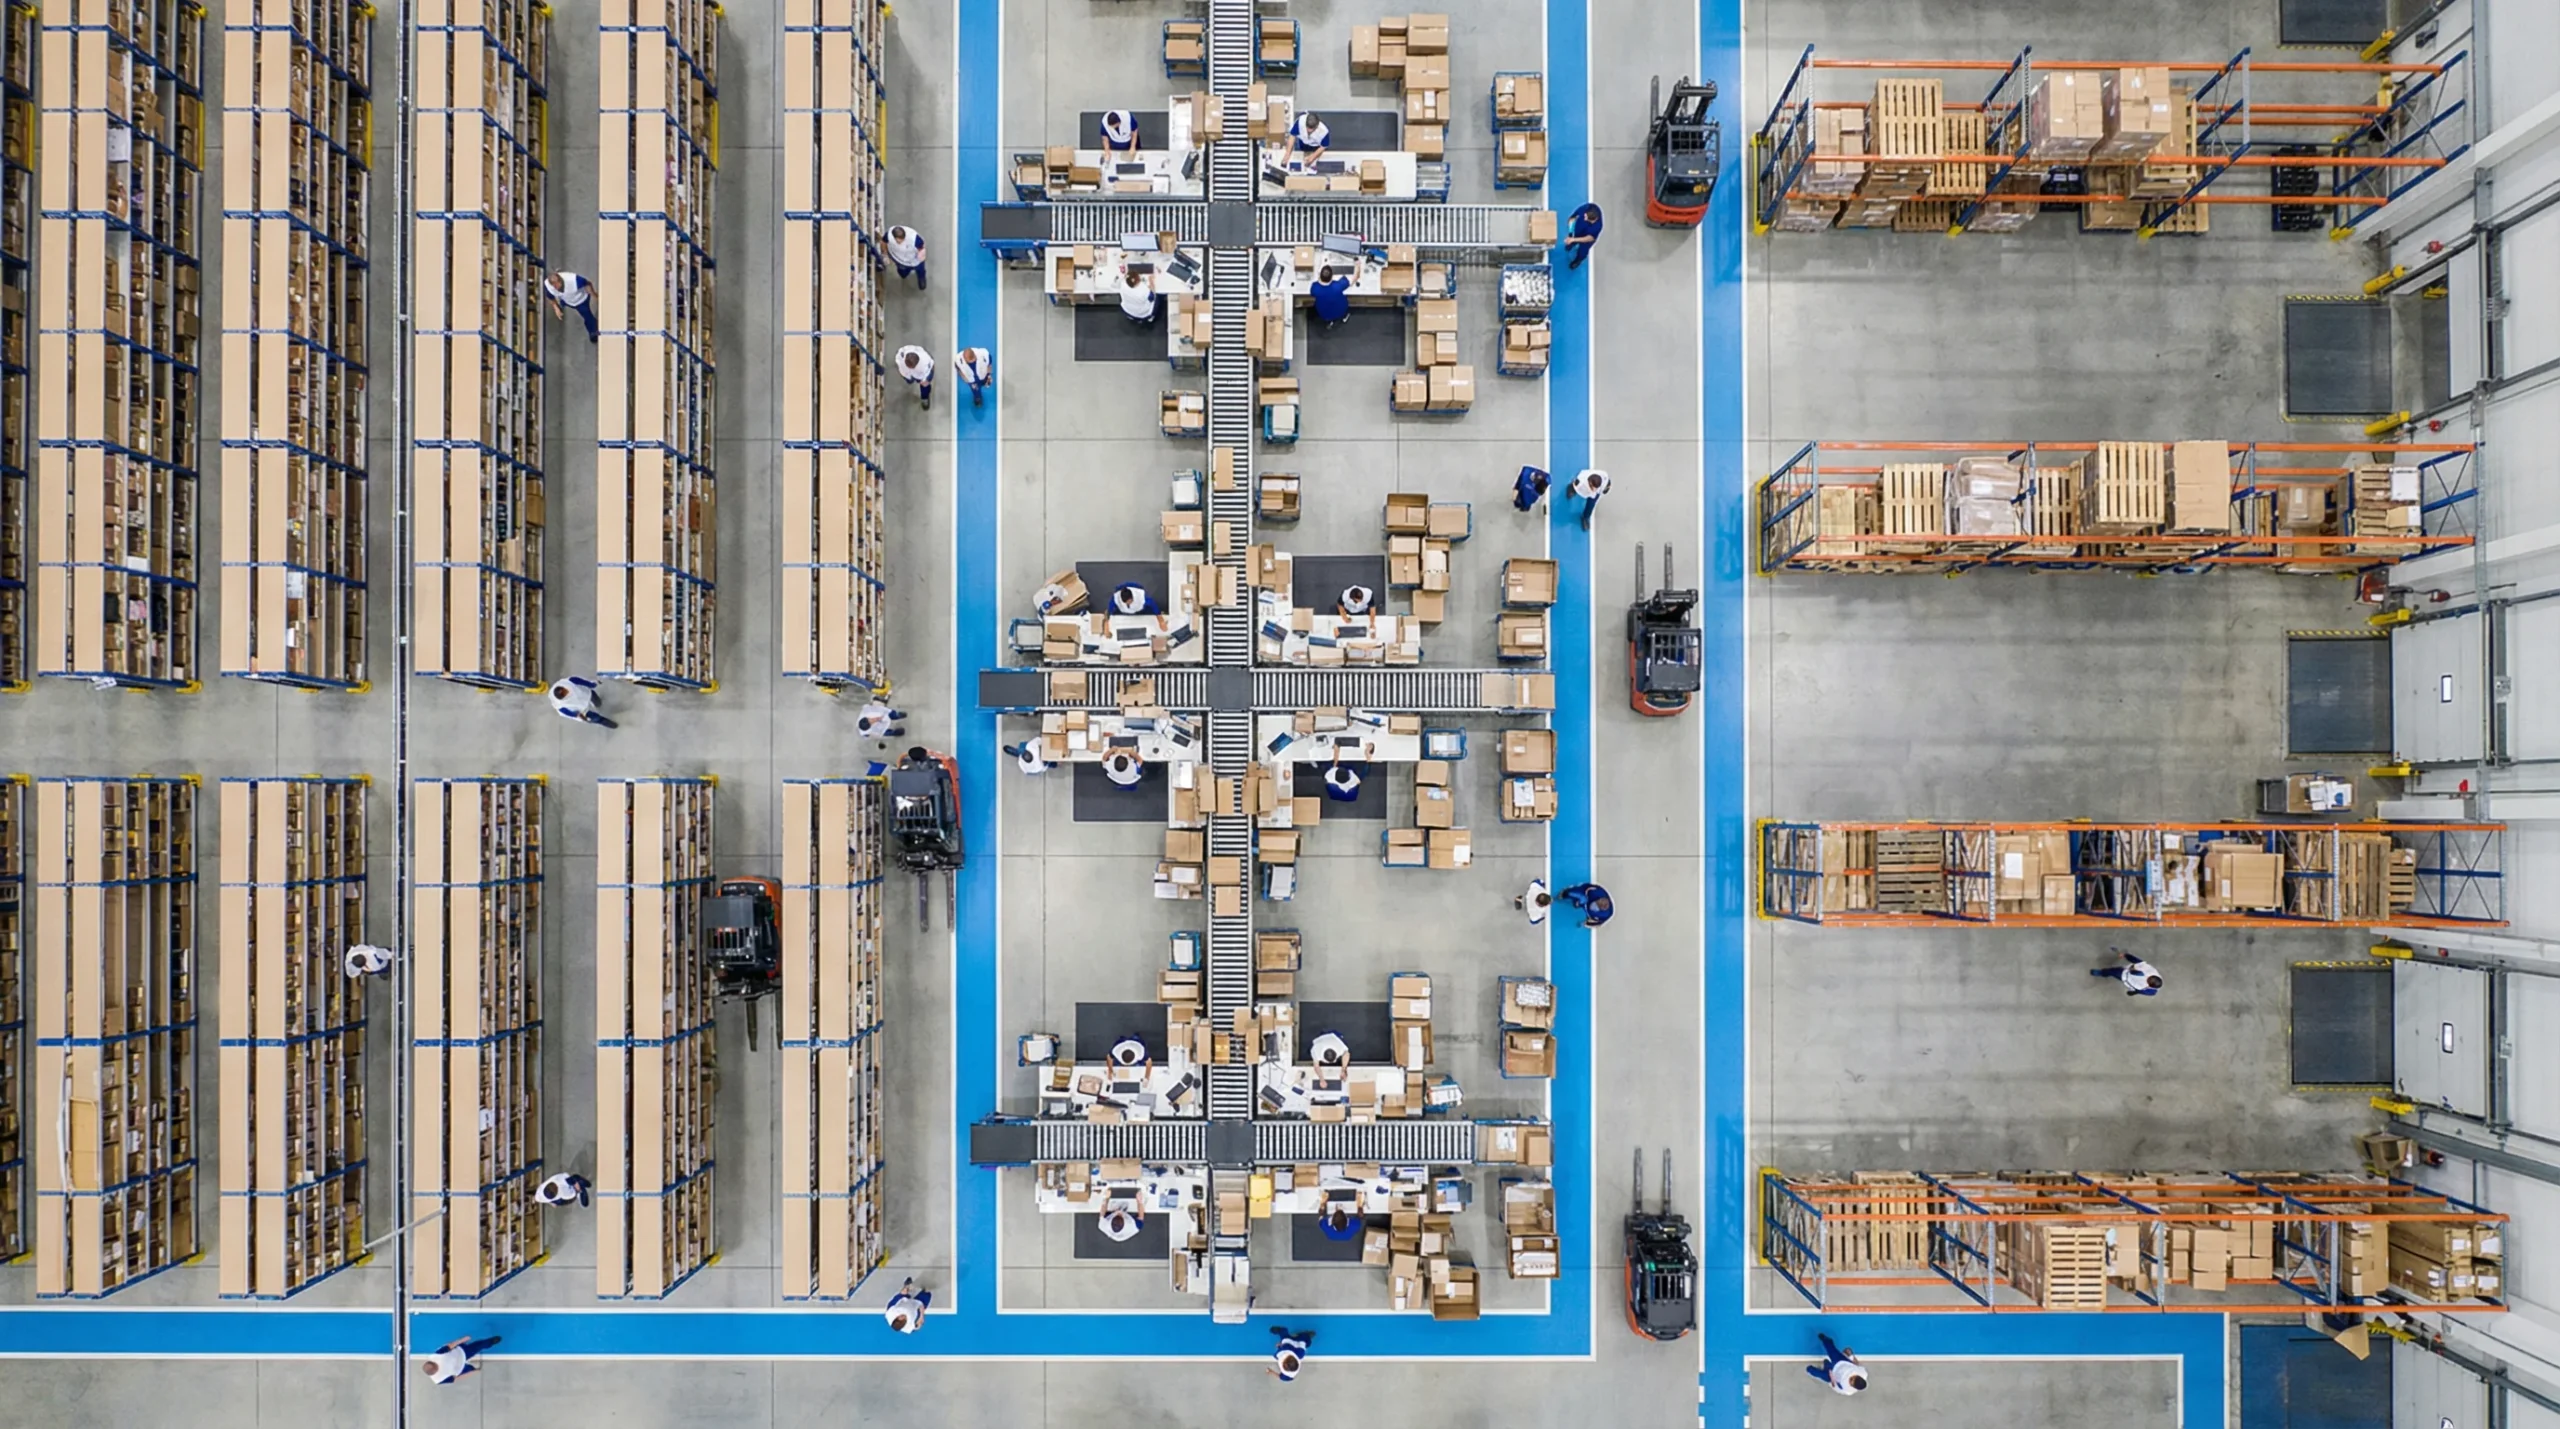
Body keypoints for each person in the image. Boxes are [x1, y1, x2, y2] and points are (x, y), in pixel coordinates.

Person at [420, 1336, 501, 1385]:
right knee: (471, 1369)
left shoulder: (437, 1355)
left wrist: (462, 1340)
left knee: (478, 1345)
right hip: (460, 1369)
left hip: (461, 1352)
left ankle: (490, 1341)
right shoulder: (439, 1380)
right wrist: (473, 1372)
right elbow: (456, 1379)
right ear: (435, 1371)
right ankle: (472, 1368)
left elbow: (450, 1346)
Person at [543, 270, 598, 342]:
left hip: (580, 300)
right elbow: (550, 296)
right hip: (567, 300)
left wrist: (594, 295)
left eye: (558, 283)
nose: (557, 286)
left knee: (587, 316)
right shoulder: (547, 286)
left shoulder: (575, 280)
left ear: (560, 279)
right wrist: (556, 307)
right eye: (554, 285)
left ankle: (593, 331)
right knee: (561, 304)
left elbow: (587, 284)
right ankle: (561, 306)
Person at [548, 676, 616, 729]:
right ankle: (603, 721)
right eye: (566, 693)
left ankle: (598, 704)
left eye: (565, 689)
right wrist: (578, 715)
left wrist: (593, 684)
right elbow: (568, 713)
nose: (568, 691)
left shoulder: (570, 681)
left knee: (597, 701)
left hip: (585, 694)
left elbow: (584, 682)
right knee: (595, 718)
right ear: (563, 698)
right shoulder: (560, 705)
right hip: (579, 709)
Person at [2094, 948, 2163, 996]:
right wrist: (2126, 956)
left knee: (2113, 972)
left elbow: (2139, 989)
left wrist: (2136, 991)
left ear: (2149, 985)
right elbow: (2137, 961)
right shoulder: (2150, 970)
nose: (2148, 976)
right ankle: (2103, 973)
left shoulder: (2147, 990)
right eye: (2150, 977)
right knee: (2112, 971)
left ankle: (2102, 973)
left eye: (2148, 980)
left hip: (2125, 977)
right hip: (2127, 971)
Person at [884, 224, 927, 289]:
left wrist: (920, 258)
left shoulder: (915, 239)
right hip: (900, 260)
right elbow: (883, 242)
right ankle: (904, 274)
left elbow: (921, 249)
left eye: (902, 239)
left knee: (920, 270)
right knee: (902, 273)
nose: (901, 242)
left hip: (914, 259)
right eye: (898, 240)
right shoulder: (889, 235)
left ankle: (921, 279)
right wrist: (885, 254)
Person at [1562, 201, 1604, 269]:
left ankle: (1577, 260)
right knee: (1570, 243)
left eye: (1587, 219)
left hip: (1586, 239)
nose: (1584, 219)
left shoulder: (1597, 226)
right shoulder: (1585, 208)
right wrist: (1570, 233)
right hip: (1578, 229)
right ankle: (1570, 245)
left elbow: (1590, 238)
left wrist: (1573, 239)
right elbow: (1572, 218)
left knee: (1582, 252)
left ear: (1594, 220)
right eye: (1585, 216)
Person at [895, 345, 934, 409]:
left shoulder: (925, 362)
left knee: (925, 386)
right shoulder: (901, 355)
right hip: (907, 374)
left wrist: (926, 381)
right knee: (909, 381)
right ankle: (910, 380)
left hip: (921, 375)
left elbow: (932, 367)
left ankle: (925, 397)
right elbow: (898, 360)